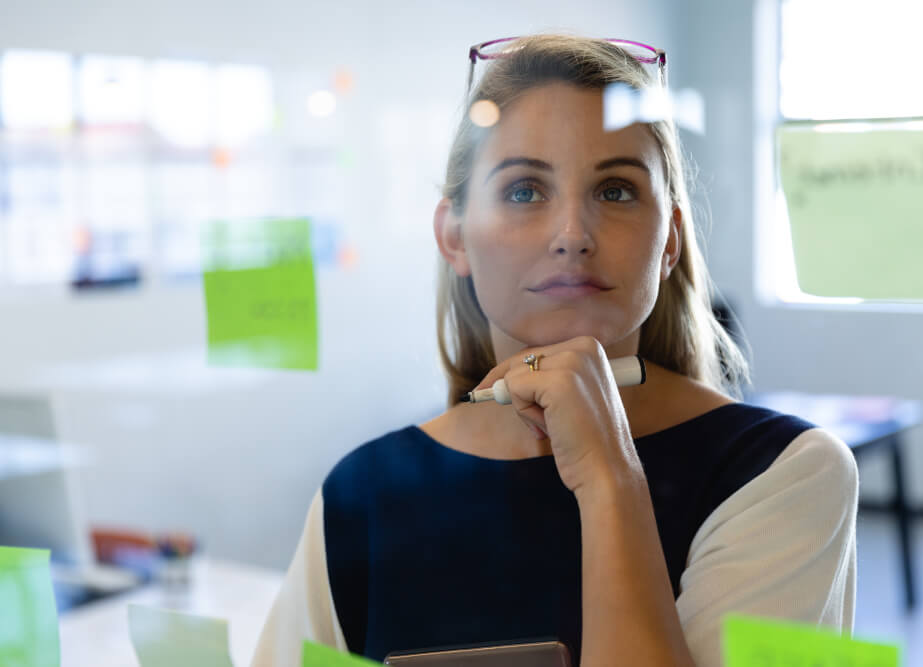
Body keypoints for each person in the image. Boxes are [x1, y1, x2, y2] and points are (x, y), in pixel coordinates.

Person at [251, 34, 857, 667]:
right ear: (453, 236)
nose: (573, 235)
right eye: (523, 191)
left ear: (671, 240)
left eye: (616, 190)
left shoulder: (786, 474)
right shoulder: (362, 493)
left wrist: (610, 480)